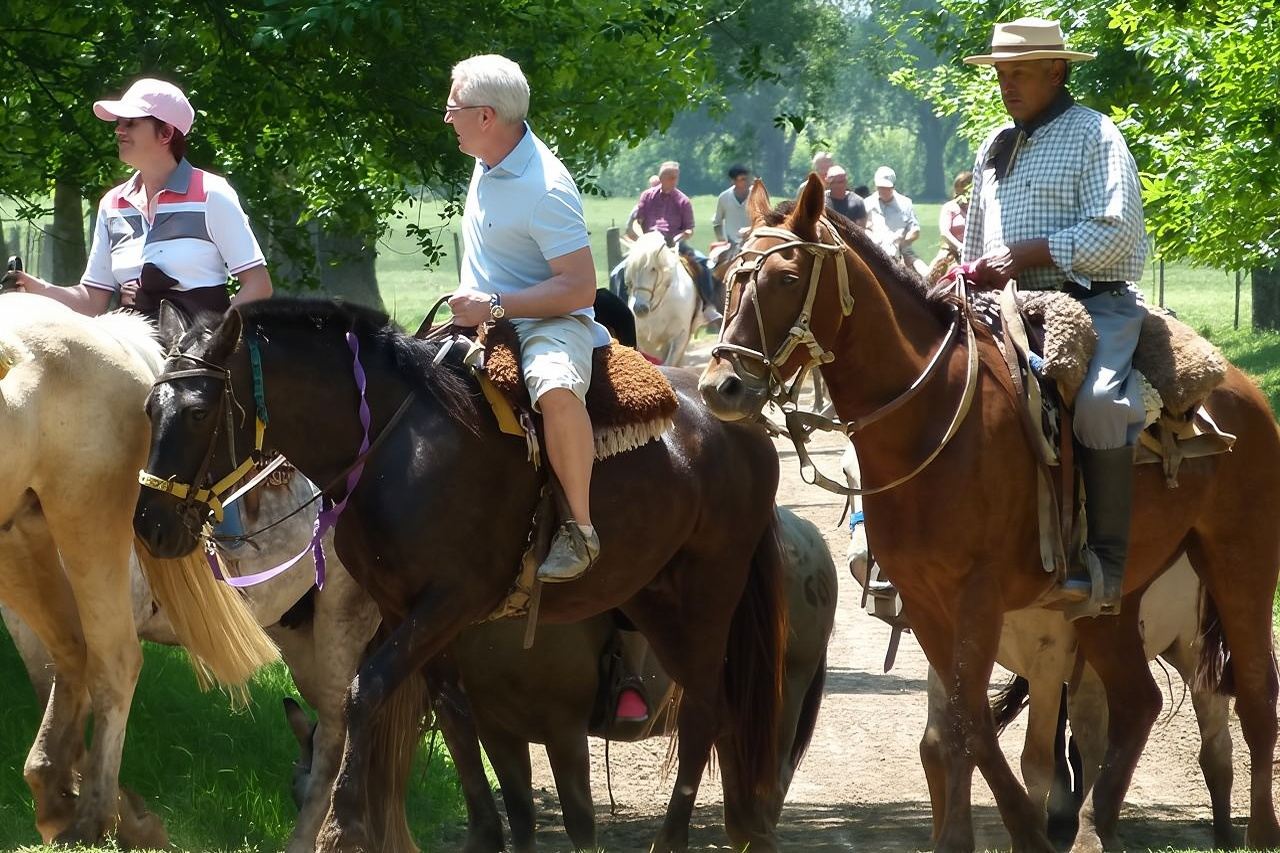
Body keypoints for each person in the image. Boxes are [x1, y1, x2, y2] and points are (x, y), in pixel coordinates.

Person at [962, 18, 1148, 616]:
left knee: (1098, 403)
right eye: (1000, 73)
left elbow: (1118, 234)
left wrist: (1026, 254)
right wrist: (961, 281)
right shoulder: (993, 142)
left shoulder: (1096, 135)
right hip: (1003, 308)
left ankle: (1105, 564)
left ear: (1057, 71)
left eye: (1018, 73)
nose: (1006, 84)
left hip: (1092, 303)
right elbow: (974, 241)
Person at [445, 54, 606, 583]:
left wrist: (493, 306)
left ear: (486, 116)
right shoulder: (488, 157)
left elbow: (580, 286)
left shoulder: (546, 189)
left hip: (550, 322)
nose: (447, 117)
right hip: (478, 318)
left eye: (454, 107)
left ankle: (580, 531)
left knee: (555, 388)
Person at [8, 78, 272, 317]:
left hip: (199, 362)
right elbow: (91, 302)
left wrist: (216, 339)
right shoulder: (112, 204)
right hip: (132, 354)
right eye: (119, 124)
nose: (118, 131)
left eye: (131, 123)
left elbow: (258, 285)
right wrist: (33, 287)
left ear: (166, 133)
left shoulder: (211, 193)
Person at [633, 160, 721, 326]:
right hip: (649, 244)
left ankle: (708, 306)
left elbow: (689, 230)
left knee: (703, 264)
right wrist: (640, 236)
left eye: (676, 177)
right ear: (662, 178)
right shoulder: (647, 196)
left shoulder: (683, 201)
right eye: (671, 177)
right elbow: (638, 221)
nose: (674, 180)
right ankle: (625, 308)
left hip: (673, 243)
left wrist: (678, 238)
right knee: (621, 269)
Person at [865, 166, 927, 276]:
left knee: (924, 272)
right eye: (880, 187)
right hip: (874, 249)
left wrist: (903, 241)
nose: (883, 190)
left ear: (893, 187)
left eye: (887, 188)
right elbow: (861, 227)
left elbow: (915, 230)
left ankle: (931, 284)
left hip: (901, 248)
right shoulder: (867, 204)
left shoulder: (906, 203)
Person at [931, 170, 972, 270]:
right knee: (930, 275)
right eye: (962, 185)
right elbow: (944, 233)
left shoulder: (978, 208)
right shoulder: (949, 207)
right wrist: (959, 247)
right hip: (951, 251)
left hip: (974, 252)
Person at [711, 164, 752, 249]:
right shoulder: (724, 197)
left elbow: (766, 221)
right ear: (733, 181)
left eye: (747, 178)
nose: (747, 182)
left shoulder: (757, 196)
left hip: (753, 243)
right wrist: (722, 241)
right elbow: (717, 223)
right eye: (743, 179)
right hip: (730, 245)